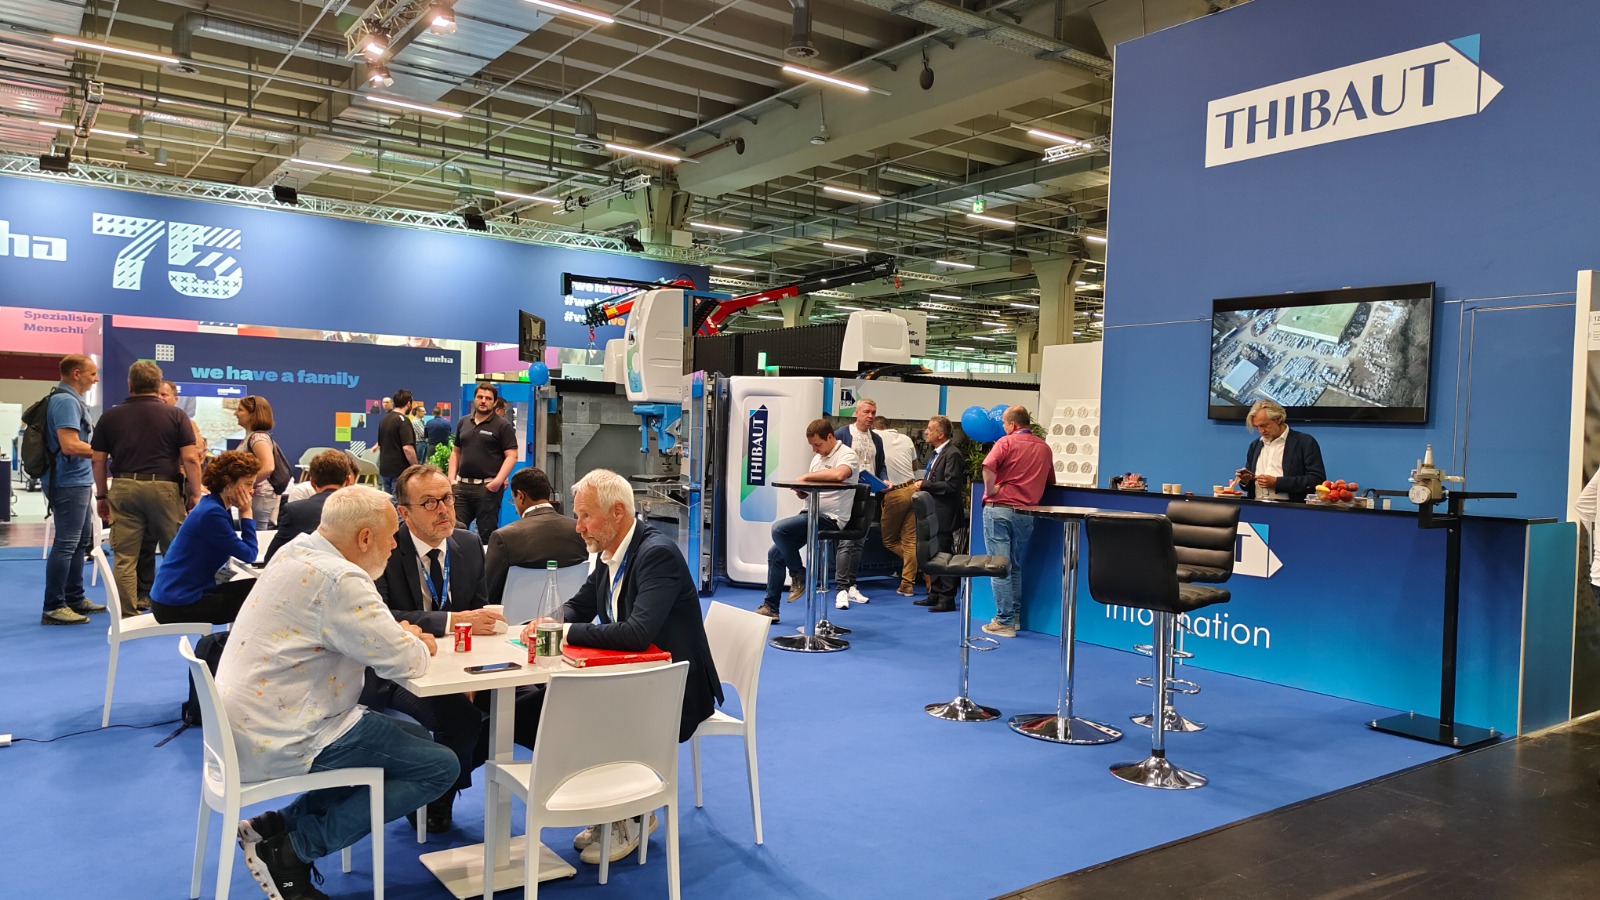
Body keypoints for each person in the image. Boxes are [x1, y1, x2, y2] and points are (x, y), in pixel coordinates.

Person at [218, 486, 457, 900]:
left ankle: (278, 824)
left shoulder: (297, 552)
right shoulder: (341, 579)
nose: (394, 544)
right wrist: (415, 639)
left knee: (417, 740)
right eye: (390, 536)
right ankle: (292, 851)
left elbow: (371, 640)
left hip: (250, 722)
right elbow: (408, 661)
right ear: (364, 538)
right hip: (290, 729)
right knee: (440, 767)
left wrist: (399, 636)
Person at [516, 468, 721, 865]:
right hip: (630, 681)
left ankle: (633, 813)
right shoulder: (611, 552)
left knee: (567, 712)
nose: (578, 527)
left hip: (671, 692)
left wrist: (562, 632)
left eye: (585, 516)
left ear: (617, 512)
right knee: (537, 708)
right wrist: (546, 622)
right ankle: (611, 808)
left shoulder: (656, 554)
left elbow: (636, 633)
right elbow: (581, 605)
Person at [369, 464, 505, 832]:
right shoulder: (384, 549)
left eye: (446, 498)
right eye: (429, 502)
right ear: (404, 512)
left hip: (460, 663)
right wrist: (450, 621)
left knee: (522, 706)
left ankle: (433, 790)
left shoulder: (469, 544)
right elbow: (383, 616)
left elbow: (479, 615)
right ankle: (436, 799)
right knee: (461, 720)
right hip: (398, 669)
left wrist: (472, 672)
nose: (443, 509)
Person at [92, 361, 203, 617]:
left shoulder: (110, 416)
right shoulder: (176, 416)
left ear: (130, 385)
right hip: (165, 488)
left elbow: (98, 460)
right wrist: (196, 493)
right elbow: (190, 458)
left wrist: (101, 495)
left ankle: (127, 615)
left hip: (124, 487)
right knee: (174, 551)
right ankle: (175, 609)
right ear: (157, 385)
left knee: (125, 557)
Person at [753, 418, 859, 623]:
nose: (815, 450)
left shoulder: (847, 455)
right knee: (775, 553)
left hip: (831, 518)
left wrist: (805, 478)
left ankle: (798, 574)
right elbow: (815, 487)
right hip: (810, 513)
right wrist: (803, 491)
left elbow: (840, 474)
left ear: (830, 437)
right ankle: (771, 607)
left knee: (779, 529)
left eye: (817, 444)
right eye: (812, 446)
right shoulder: (818, 459)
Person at [150, 450, 261, 625]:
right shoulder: (212, 513)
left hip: (177, 596)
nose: (251, 491)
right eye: (248, 484)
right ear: (228, 484)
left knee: (260, 588)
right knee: (262, 597)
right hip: (178, 605)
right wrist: (246, 512)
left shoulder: (212, 504)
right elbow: (249, 554)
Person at [40, 354, 104, 625]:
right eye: (92, 374)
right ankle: (54, 606)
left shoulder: (71, 400)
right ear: (77, 374)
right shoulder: (66, 401)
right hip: (67, 482)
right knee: (67, 544)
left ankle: (74, 597)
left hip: (76, 480)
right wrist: (104, 453)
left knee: (79, 542)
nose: (96, 379)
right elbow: (70, 445)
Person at [979, 406, 1052, 638]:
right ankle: (1015, 617)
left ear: (1012, 425)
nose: (1003, 427)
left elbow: (987, 467)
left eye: (1004, 423)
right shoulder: (1044, 447)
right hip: (1026, 514)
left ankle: (1004, 621)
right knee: (1014, 566)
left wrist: (991, 491)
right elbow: (1050, 480)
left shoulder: (1005, 442)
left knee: (999, 567)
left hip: (999, 510)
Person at [484, 466, 589, 604]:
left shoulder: (504, 537)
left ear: (520, 496)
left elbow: (487, 593)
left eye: (513, 499)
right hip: (569, 613)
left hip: (514, 616)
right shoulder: (579, 531)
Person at [832, 398, 885, 606]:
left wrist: (884, 479)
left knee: (859, 541)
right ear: (856, 412)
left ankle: (852, 585)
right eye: (866, 412)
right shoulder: (842, 434)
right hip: (848, 495)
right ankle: (841, 588)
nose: (870, 416)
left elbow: (880, 465)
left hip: (869, 495)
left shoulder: (877, 439)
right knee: (846, 542)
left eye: (873, 412)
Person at [448, 383, 518, 541]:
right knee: (454, 532)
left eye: (488, 398)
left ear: (494, 402)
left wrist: (497, 482)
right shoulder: (463, 422)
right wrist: (451, 479)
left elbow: (512, 456)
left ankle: (484, 559)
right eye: (480, 397)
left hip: (487, 489)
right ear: (474, 399)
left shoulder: (502, 426)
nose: (483, 401)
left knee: (487, 534)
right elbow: (456, 452)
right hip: (461, 487)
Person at [915, 415, 967, 613]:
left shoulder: (952, 454)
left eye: (930, 429)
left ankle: (947, 598)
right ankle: (935, 593)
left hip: (945, 513)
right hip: (933, 512)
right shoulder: (936, 453)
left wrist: (925, 484)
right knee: (933, 553)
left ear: (941, 434)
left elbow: (951, 486)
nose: (926, 432)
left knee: (944, 554)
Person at [266, 450, 355, 562]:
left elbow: (272, 558)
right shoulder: (362, 511)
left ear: (312, 482)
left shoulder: (295, 511)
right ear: (348, 481)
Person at [1237, 398, 1326, 502]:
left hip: (1290, 507)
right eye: (1257, 427)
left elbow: (1316, 480)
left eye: (1264, 425)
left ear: (1278, 419)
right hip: (1257, 505)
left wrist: (1277, 483)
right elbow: (1249, 486)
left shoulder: (1304, 442)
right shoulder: (1255, 445)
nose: (1261, 431)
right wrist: (1245, 480)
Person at [872, 414, 921, 597]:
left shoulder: (875, 437)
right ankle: (907, 585)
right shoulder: (906, 438)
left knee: (890, 540)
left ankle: (923, 566)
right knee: (910, 542)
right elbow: (915, 466)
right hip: (913, 489)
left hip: (895, 494)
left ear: (875, 427)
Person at [377, 389, 419, 497]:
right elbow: (407, 448)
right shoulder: (403, 421)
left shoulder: (384, 420)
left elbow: (381, 445)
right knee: (398, 501)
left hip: (385, 469)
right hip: (399, 471)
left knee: (388, 501)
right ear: (408, 403)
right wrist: (416, 467)